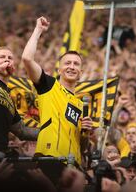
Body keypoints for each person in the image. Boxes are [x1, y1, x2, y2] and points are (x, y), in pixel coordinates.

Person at [21, 16, 93, 182]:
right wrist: (38, 30)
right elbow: (26, 59)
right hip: (49, 160)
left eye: (76, 64)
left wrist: (85, 133)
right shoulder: (49, 86)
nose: (72, 67)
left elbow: (82, 146)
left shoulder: (81, 104)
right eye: (68, 63)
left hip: (73, 166)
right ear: (59, 69)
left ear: (81, 72)